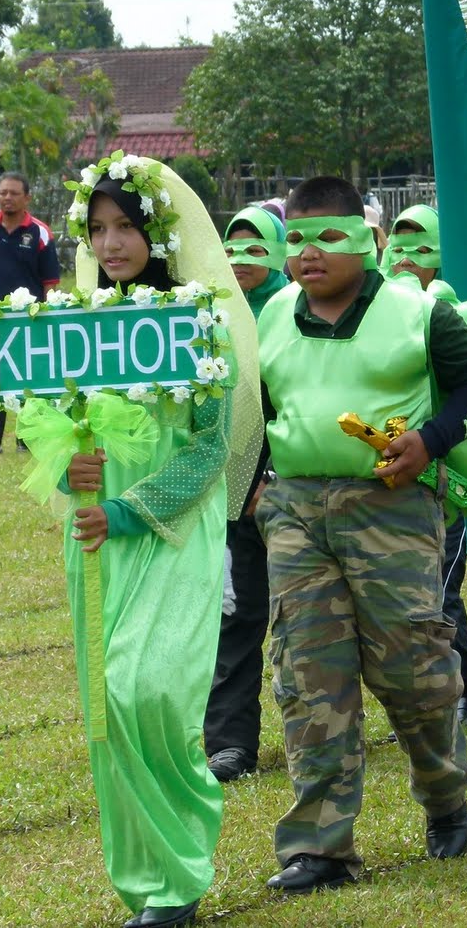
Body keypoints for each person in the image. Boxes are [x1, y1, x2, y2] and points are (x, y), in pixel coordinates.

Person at [256, 176, 467, 891]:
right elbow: (252, 410)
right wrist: (255, 490)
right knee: (308, 673)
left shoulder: (417, 312)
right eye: (296, 239)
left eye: (329, 236)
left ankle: (445, 795)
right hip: (297, 513)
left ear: (368, 239)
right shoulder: (267, 315)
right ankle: (318, 847)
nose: (310, 253)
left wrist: (430, 439)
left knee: (412, 666)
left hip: (390, 507)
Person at [56, 153, 263, 927]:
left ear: (157, 231)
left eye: (126, 226)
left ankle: (181, 869)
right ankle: (145, 881)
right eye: (98, 228)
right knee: (105, 703)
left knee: (152, 690)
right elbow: (53, 426)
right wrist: (64, 467)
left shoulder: (197, 317)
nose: (110, 244)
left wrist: (133, 509)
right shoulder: (74, 323)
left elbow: (212, 450)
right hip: (93, 527)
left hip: (173, 526)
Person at [383, 203, 467, 727]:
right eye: (397, 248)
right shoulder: (372, 310)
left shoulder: (456, 311)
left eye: (421, 249)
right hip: (376, 481)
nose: (406, 260)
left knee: (442, 592)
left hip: (441, 477)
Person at [203, 201, 289, 783]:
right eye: (230, 248)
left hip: (295, 492)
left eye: (255, 247)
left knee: (316, 618)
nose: (240, 260)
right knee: (235, 615)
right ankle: (230, 741)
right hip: (229, 495)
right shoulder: (211, 317)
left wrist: (278, 479)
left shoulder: (295, 312)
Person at [0, 172, 61, 454]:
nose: (7, 197)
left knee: (30, 378)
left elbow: (51, 282)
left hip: (30, 318)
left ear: (27, 198)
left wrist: (48, 312)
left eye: (14, 193)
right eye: (3, 192)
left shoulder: (40, 233)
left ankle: (26, 440)